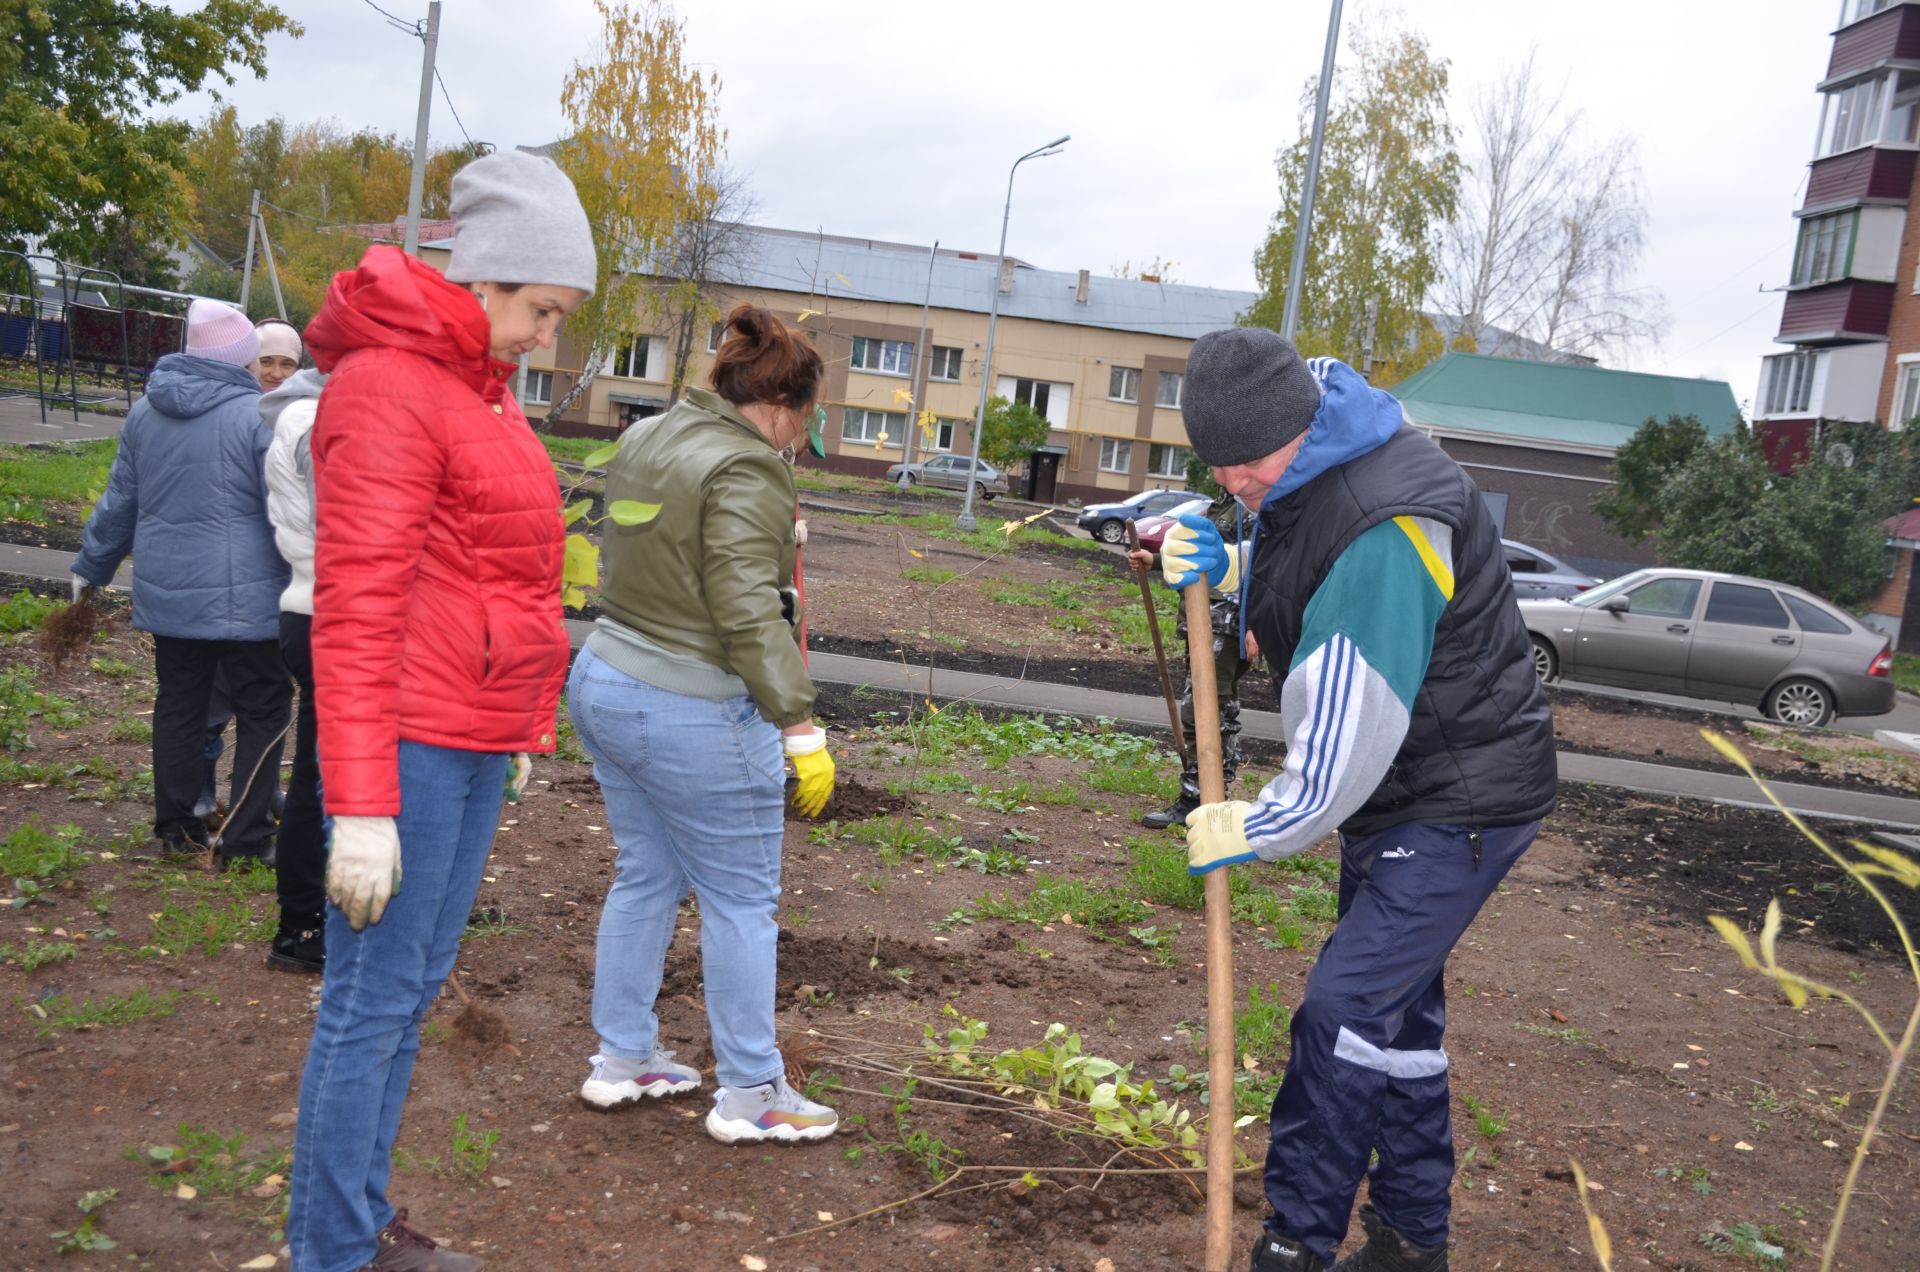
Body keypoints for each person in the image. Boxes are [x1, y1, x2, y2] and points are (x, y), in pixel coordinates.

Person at [1160, 330, 1556, 1272]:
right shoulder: (1312, 460)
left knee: (1343, 1011)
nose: (1235, 482)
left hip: (1462, 797)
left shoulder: (1390, 523)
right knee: (1396, 1016)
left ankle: (1295, 1241)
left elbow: (1344, 738)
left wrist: (1254, 824)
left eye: (1246, 464)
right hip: (1409, 790)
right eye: (1216, 465)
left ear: (1296, 427)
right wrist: (1232, 579)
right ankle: (1414, 1239)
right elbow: (1299, 589)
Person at [287, 148, 594, 1272]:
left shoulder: (479, 391)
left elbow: (493, 579)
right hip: (408, 745)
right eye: (543, 309)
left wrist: (515, 722)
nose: (546, 336)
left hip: (468, 737)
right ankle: (330, 1247)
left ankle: (359, 1221)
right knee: (369, 1005)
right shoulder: (386, 387)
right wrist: (361, 805)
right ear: (490, 278)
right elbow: (358, 608)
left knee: (407, 991)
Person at [568, 302, 839, 1146]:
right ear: (786, 408)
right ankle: (754, 1092)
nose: (800, 439)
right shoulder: (751, 468)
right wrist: (798, 723)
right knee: (742, 901)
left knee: (646, 874)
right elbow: (747, 610)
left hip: (606, 674)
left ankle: (623, 1058)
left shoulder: (652, 435)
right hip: (692, 705)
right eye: (805, 422)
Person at [71, 298, 292, 866]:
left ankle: (175, 826)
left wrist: (91, 568)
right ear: (242, 357)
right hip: (251, 602)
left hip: (170, 601)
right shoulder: (258, 417)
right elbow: (289, 510)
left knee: (179, 707)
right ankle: (246, 838)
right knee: (265, 709)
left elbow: (121, 501)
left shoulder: (146, 413)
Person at [1126, 491, 1251, 829]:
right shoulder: (1225, 503)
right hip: (1204, 622)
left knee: (1206, 710)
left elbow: (1264, 565)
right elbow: (1202, 557)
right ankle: (1211, 795)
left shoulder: (1253, 503)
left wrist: (1256, 624)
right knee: (1211, 709)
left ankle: (1201, 800)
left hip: (1226, 625)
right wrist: (1155, 561)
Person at [261, 365, 329, 974]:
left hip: (315, 608)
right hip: (328, 613)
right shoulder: (317, 421)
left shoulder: (308, 414)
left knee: (321, 773)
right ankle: (302, 923)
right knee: (320, 778)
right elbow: (344, 531)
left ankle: (311, 916)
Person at [252, 317, 303, 391]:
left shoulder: (311, 402)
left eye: (286, 365)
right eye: (266, 362)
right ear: (249, 365)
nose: (276, 375)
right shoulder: (232, 400)